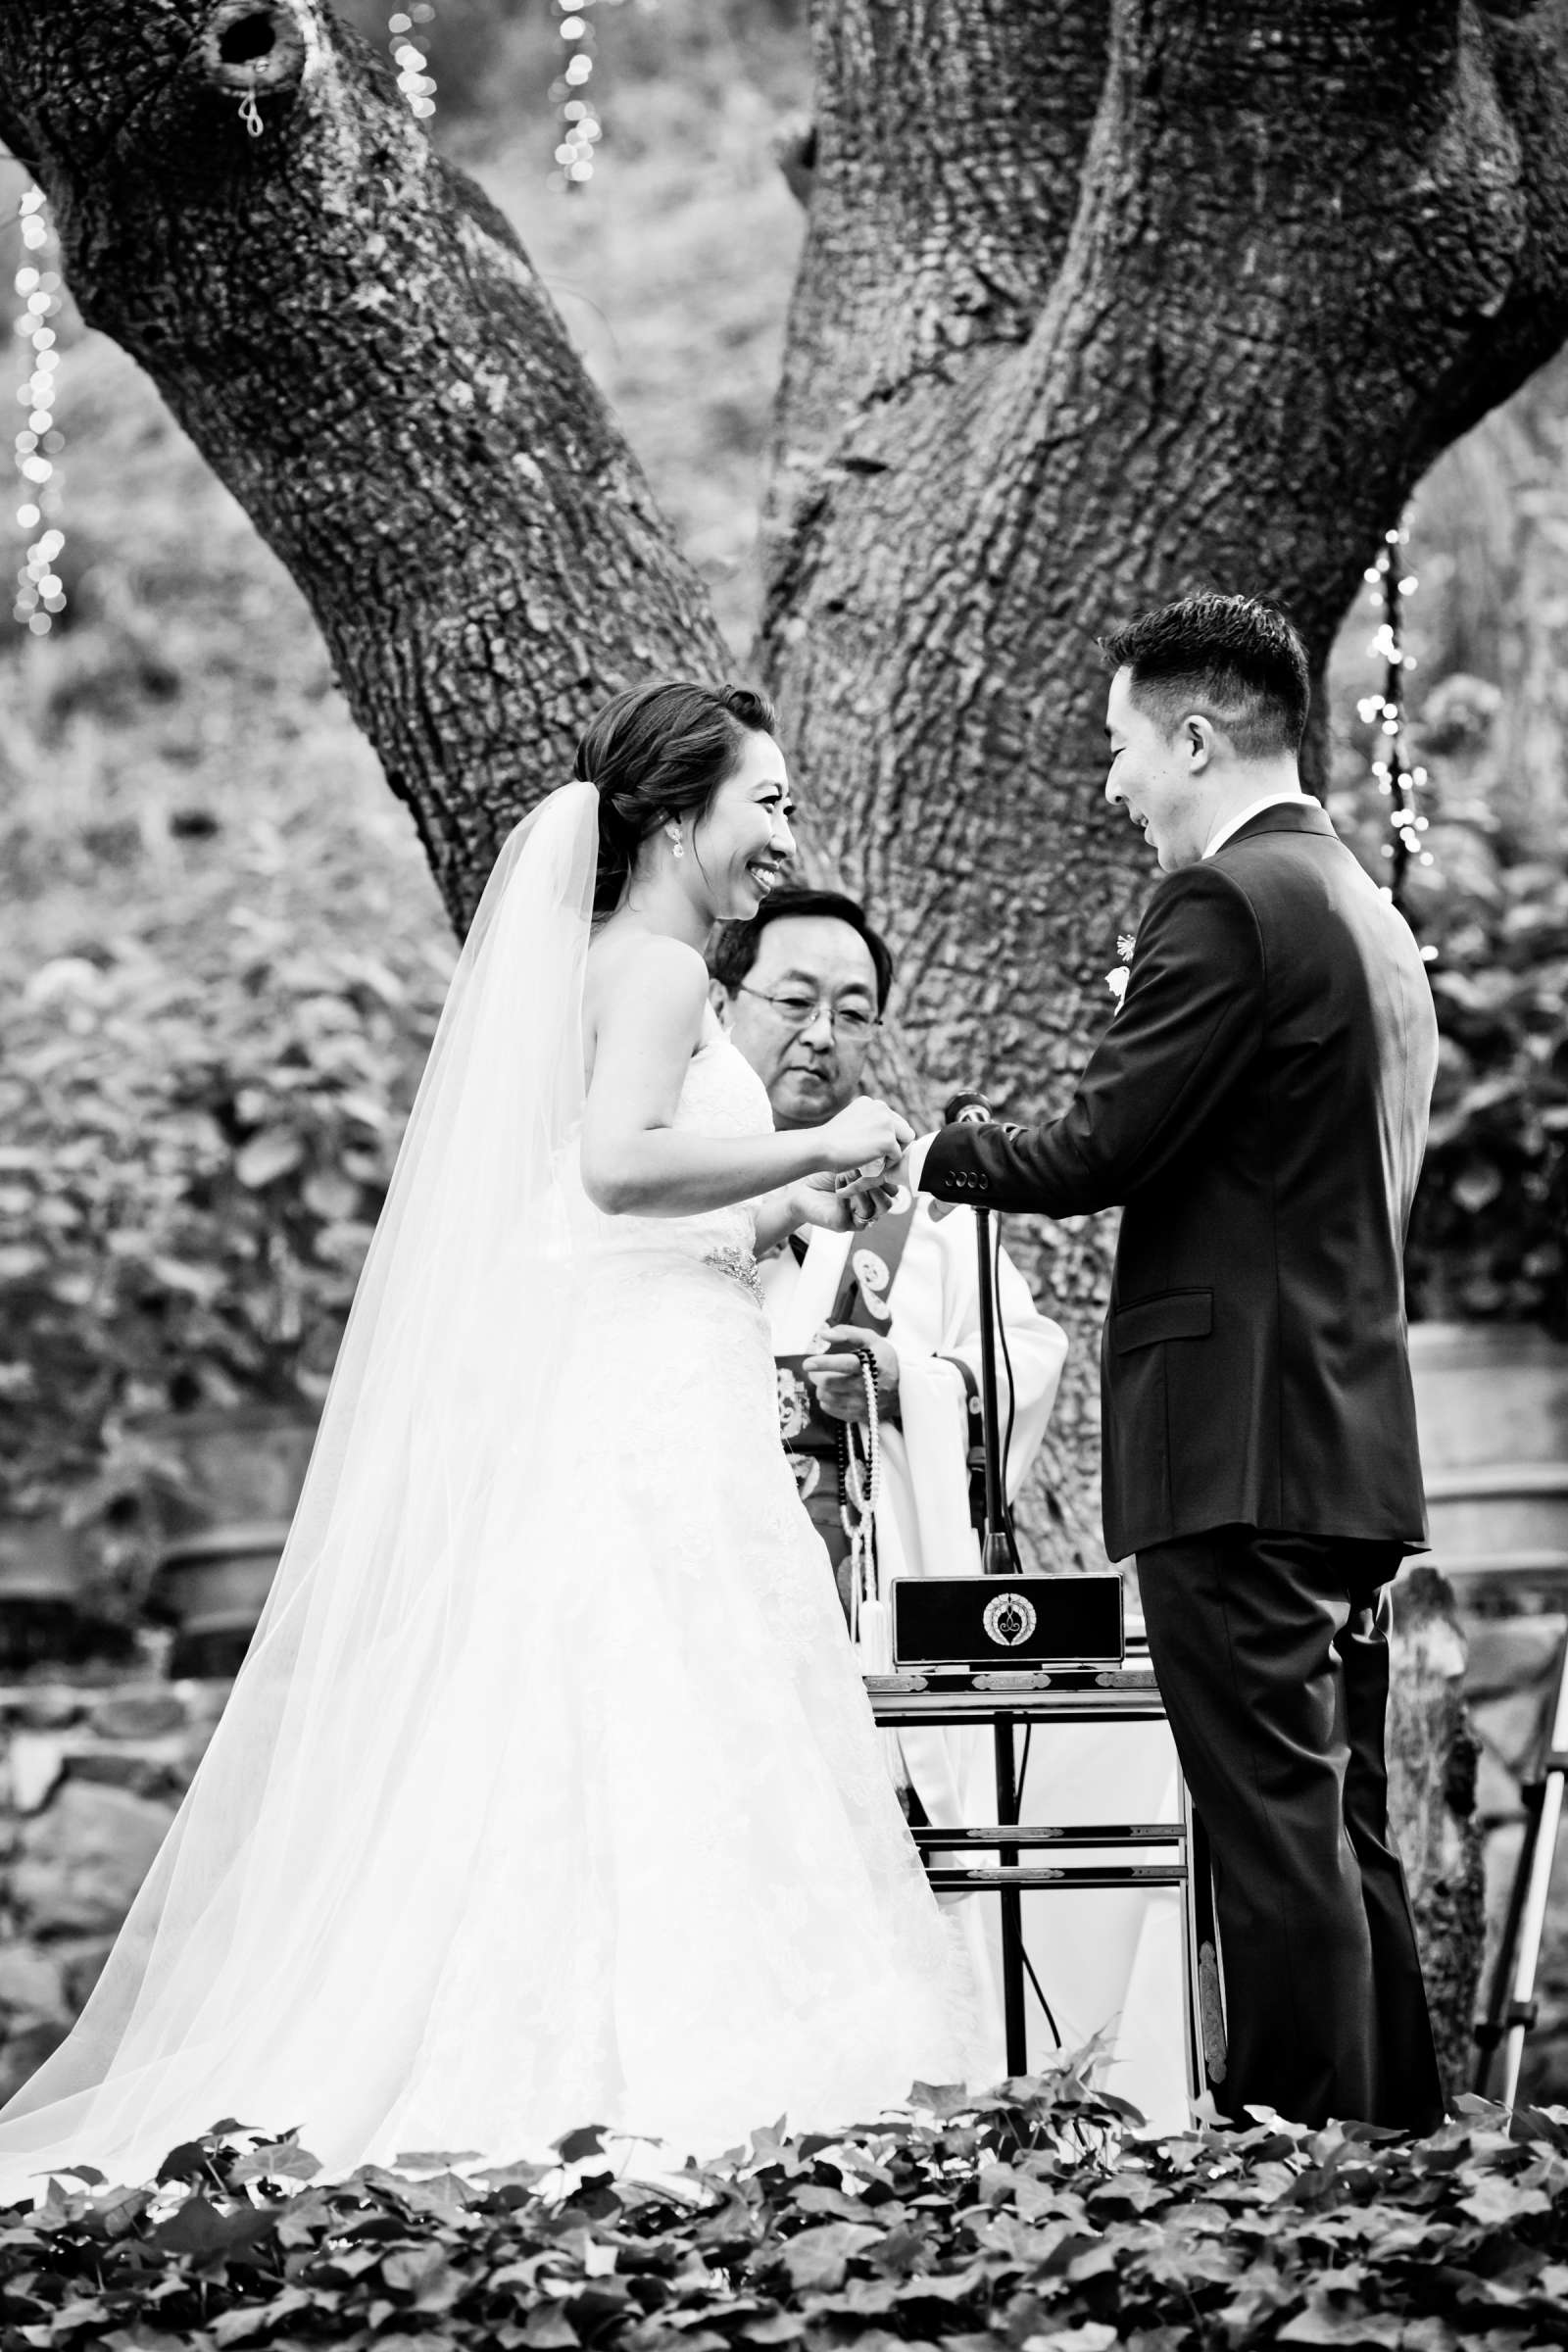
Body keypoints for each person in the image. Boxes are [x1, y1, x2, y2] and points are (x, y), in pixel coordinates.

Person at [0, 681, 982, 2200]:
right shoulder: (659, 966)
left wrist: (772, 1208)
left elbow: (584, 1208)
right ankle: (689, 2082)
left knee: (618, 1728)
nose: (787, 833)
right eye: (766, 804)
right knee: (680, 1715)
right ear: (677, 821)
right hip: (656, 1413)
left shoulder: (608, 964)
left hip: (643, 1378)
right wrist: (821, 1142)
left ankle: (605, 2066)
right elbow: (610, 1173)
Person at [904, 594, 1446, 2133]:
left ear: (1197, 738)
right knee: (1336, 1822)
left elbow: (1104, 1144)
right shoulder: (1352, 899)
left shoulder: (1223, 903)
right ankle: (1396, 2155)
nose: (1113, 783)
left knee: (1270, 1831)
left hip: (1240, 1439)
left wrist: (938, 1151)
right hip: (1336, 1436)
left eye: (1123, 745)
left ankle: (1297, 2168)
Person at [710, 887, 1188, 2125]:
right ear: (720, 1003)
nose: (822, 1033)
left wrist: (900, 1384)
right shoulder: (666, 1184)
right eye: (794, 1001)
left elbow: (1017, 1361)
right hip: (698, 1596)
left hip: (866, 1610)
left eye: (853, 1011)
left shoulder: (919, 1210)